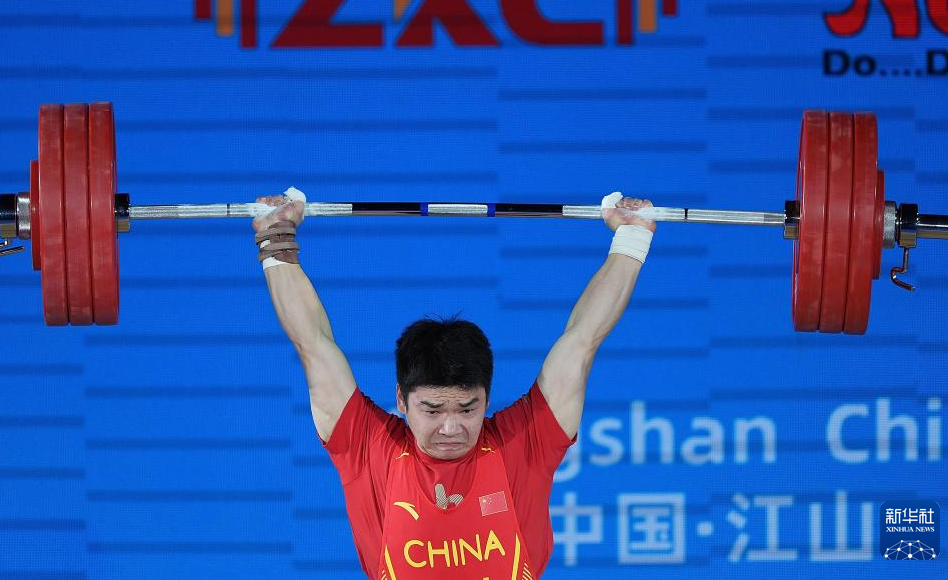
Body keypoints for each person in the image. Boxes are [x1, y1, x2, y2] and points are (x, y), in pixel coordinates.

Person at [253, 189, 656, 579]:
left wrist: (632, 236)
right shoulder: (367, 445)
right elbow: (312, 343)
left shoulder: (526, 443)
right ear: (401, 399)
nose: (451, 428)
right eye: (431, 409)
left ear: (487, 398)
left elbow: (583, 340)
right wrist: (276, 236)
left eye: (467, 409)